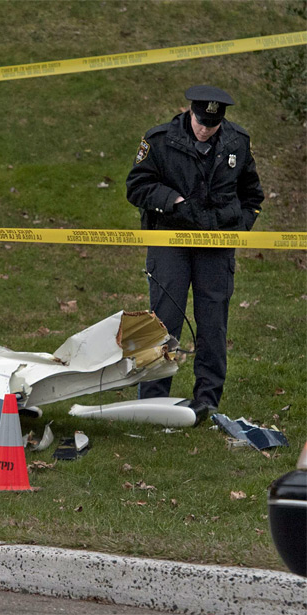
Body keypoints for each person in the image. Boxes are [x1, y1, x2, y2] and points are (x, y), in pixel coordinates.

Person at [126, 85, 264, 414]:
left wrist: (238, 230)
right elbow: (137, 186)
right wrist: (171, 200)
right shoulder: (160, 140)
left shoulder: (237, 142)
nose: (205, 130)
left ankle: (207, 401)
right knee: (164, 322)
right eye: (201, 122)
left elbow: (252, 195)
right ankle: (154, 402)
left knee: (213, 324)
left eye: (212, 125)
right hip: (170, 240)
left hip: (216, 245)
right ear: (190, 113)